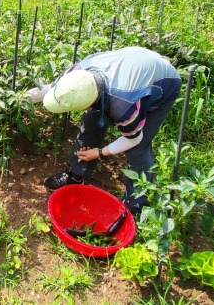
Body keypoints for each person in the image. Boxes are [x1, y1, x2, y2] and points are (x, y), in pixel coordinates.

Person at [26, 47, 181, 214]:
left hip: (162, 81)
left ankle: (136, 205)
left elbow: (133, 139)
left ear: (89, 102)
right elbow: (50, 89)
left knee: (138, 148)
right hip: (130, 66)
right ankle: (76, 176)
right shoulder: (75, 76)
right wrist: (18, 98)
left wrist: (100, 152)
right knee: (91, 120)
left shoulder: (125, 105)